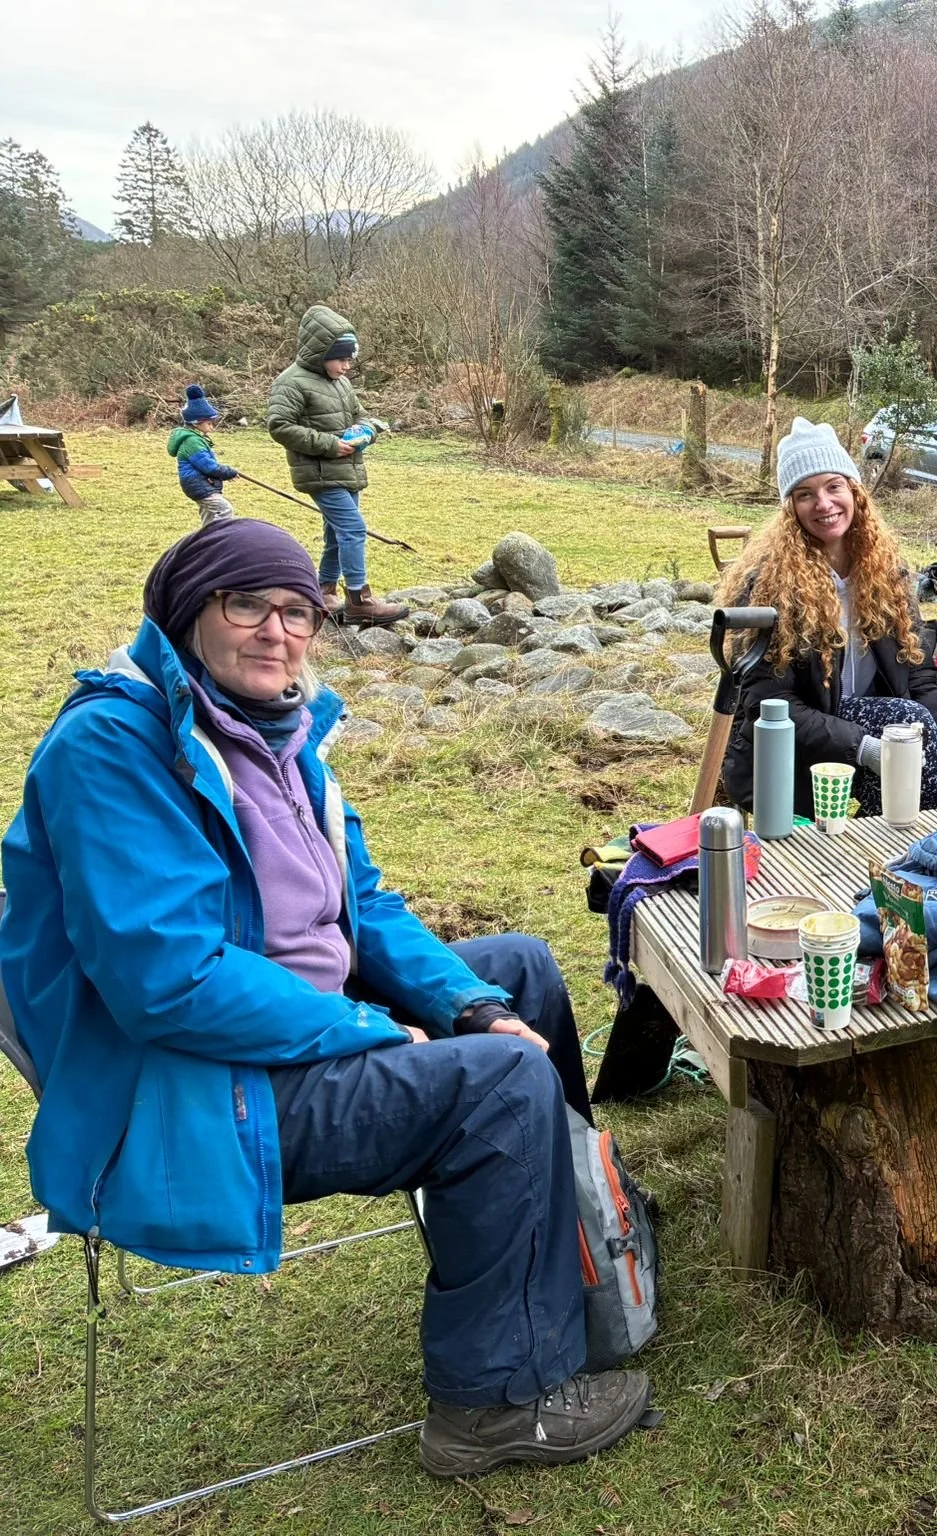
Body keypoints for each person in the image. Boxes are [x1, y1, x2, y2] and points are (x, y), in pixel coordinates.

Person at [0, 518, 650, 1476]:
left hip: (287, 1029)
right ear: (190, 616)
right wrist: (368, 1030)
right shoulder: (111, 750)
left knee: (519, 974)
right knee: (506, 1081)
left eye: (297, 609)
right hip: (195, 1089)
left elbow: (364, 905)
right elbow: (167, 982)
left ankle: (576, 1255)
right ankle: (495, 1404)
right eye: (246, 604)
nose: (277, 630)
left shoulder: (281, 729)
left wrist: (464, 1007)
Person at [716, 417, 937, 818]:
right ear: (790, 508)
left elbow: (917, 672)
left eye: (833, 486)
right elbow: (767, 702)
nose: (824, 504)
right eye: (805, 494)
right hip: (793, 742)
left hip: (867, 726)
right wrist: (864, 745)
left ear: (855, 492)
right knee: (903, 722)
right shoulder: (768, 584)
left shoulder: (886, 571)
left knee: (910, 733)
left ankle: (893, 854)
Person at [266, 304, 407, 627]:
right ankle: (359, 600)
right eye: (342, 359)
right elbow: (280, 426)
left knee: (335, 533)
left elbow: (359, 414)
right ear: (320, 353)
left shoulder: (340, 382)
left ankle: (324, 590)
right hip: (319, 473)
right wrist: (330, 444)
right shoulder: (291, 383)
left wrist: (368, 430)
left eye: (349, 360)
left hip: (346, 471)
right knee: (353, 529)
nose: (347, 366)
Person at [168, 384, 239, 525]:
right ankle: (222, 539)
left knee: (210, 517)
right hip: (197, 484)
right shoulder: (192, 441)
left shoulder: (196, 438)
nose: (212, 427)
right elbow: (209, 467)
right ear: (196, 423)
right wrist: (227, 472)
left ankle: (206, 542)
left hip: (199, 483)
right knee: (225, 510)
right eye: (209, 423)